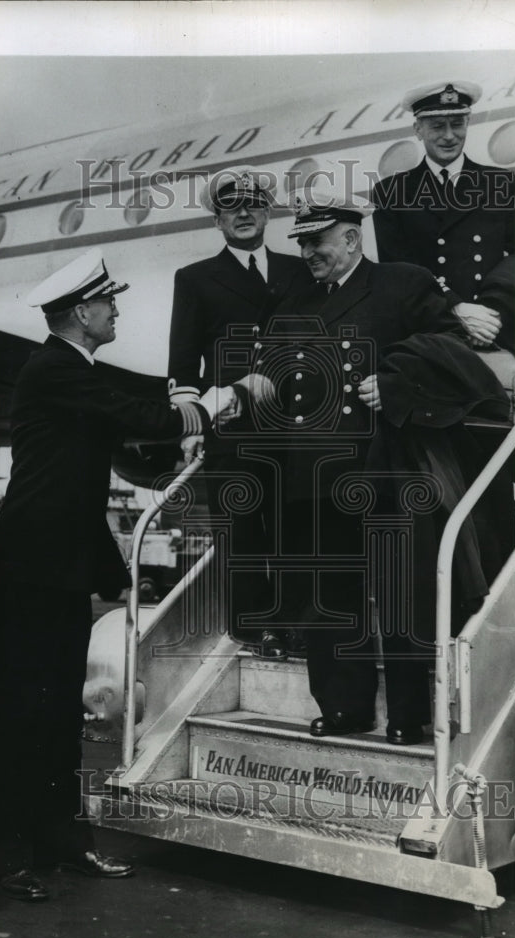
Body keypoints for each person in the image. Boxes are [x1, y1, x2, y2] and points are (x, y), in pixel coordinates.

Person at [0, 249, 244, 902]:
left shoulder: (73, 371)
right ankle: (6, 856)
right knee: (21, 713)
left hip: (57, 565)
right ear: (81, 312)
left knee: (57, 712)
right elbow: (143, 418)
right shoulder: (57, 369)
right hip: (31, 570)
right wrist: (216, 403)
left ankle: (60, 840)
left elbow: (110, 448)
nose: (117, 309)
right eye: (109, 302)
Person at [259, 184, 512, 746]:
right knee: (328, 597)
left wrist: (396, 383)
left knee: (400, 592)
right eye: (302, 244)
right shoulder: (294, 305)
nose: (308, 254)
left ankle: (408, 713)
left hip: (384, 466)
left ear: (352, 238)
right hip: (313, 474)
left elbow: (451, 348)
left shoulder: (402, 284)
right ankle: (344, 706)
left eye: (317, 242)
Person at [167, 165, 313, 659]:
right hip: (234, 422)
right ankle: (256, 627)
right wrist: (190, 424)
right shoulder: (194, 279)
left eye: (253, 204)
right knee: (244, 527)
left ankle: (298, 621)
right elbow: (183, 361)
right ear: (218, 220)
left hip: (295, 422)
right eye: (232, 207)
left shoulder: (299, 270)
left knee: (296, 523)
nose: (244, 213)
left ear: (268, 211)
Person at [371, 81, 515, 348]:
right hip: (432, 328)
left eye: (457, 124)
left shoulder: (500, 183)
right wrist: (456, 308)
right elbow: (397, 273)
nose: (449, 135)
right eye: (438, 126)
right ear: (418, 129)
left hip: (496, 323)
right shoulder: (391, 193)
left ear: (467, 123)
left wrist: (491, 313)